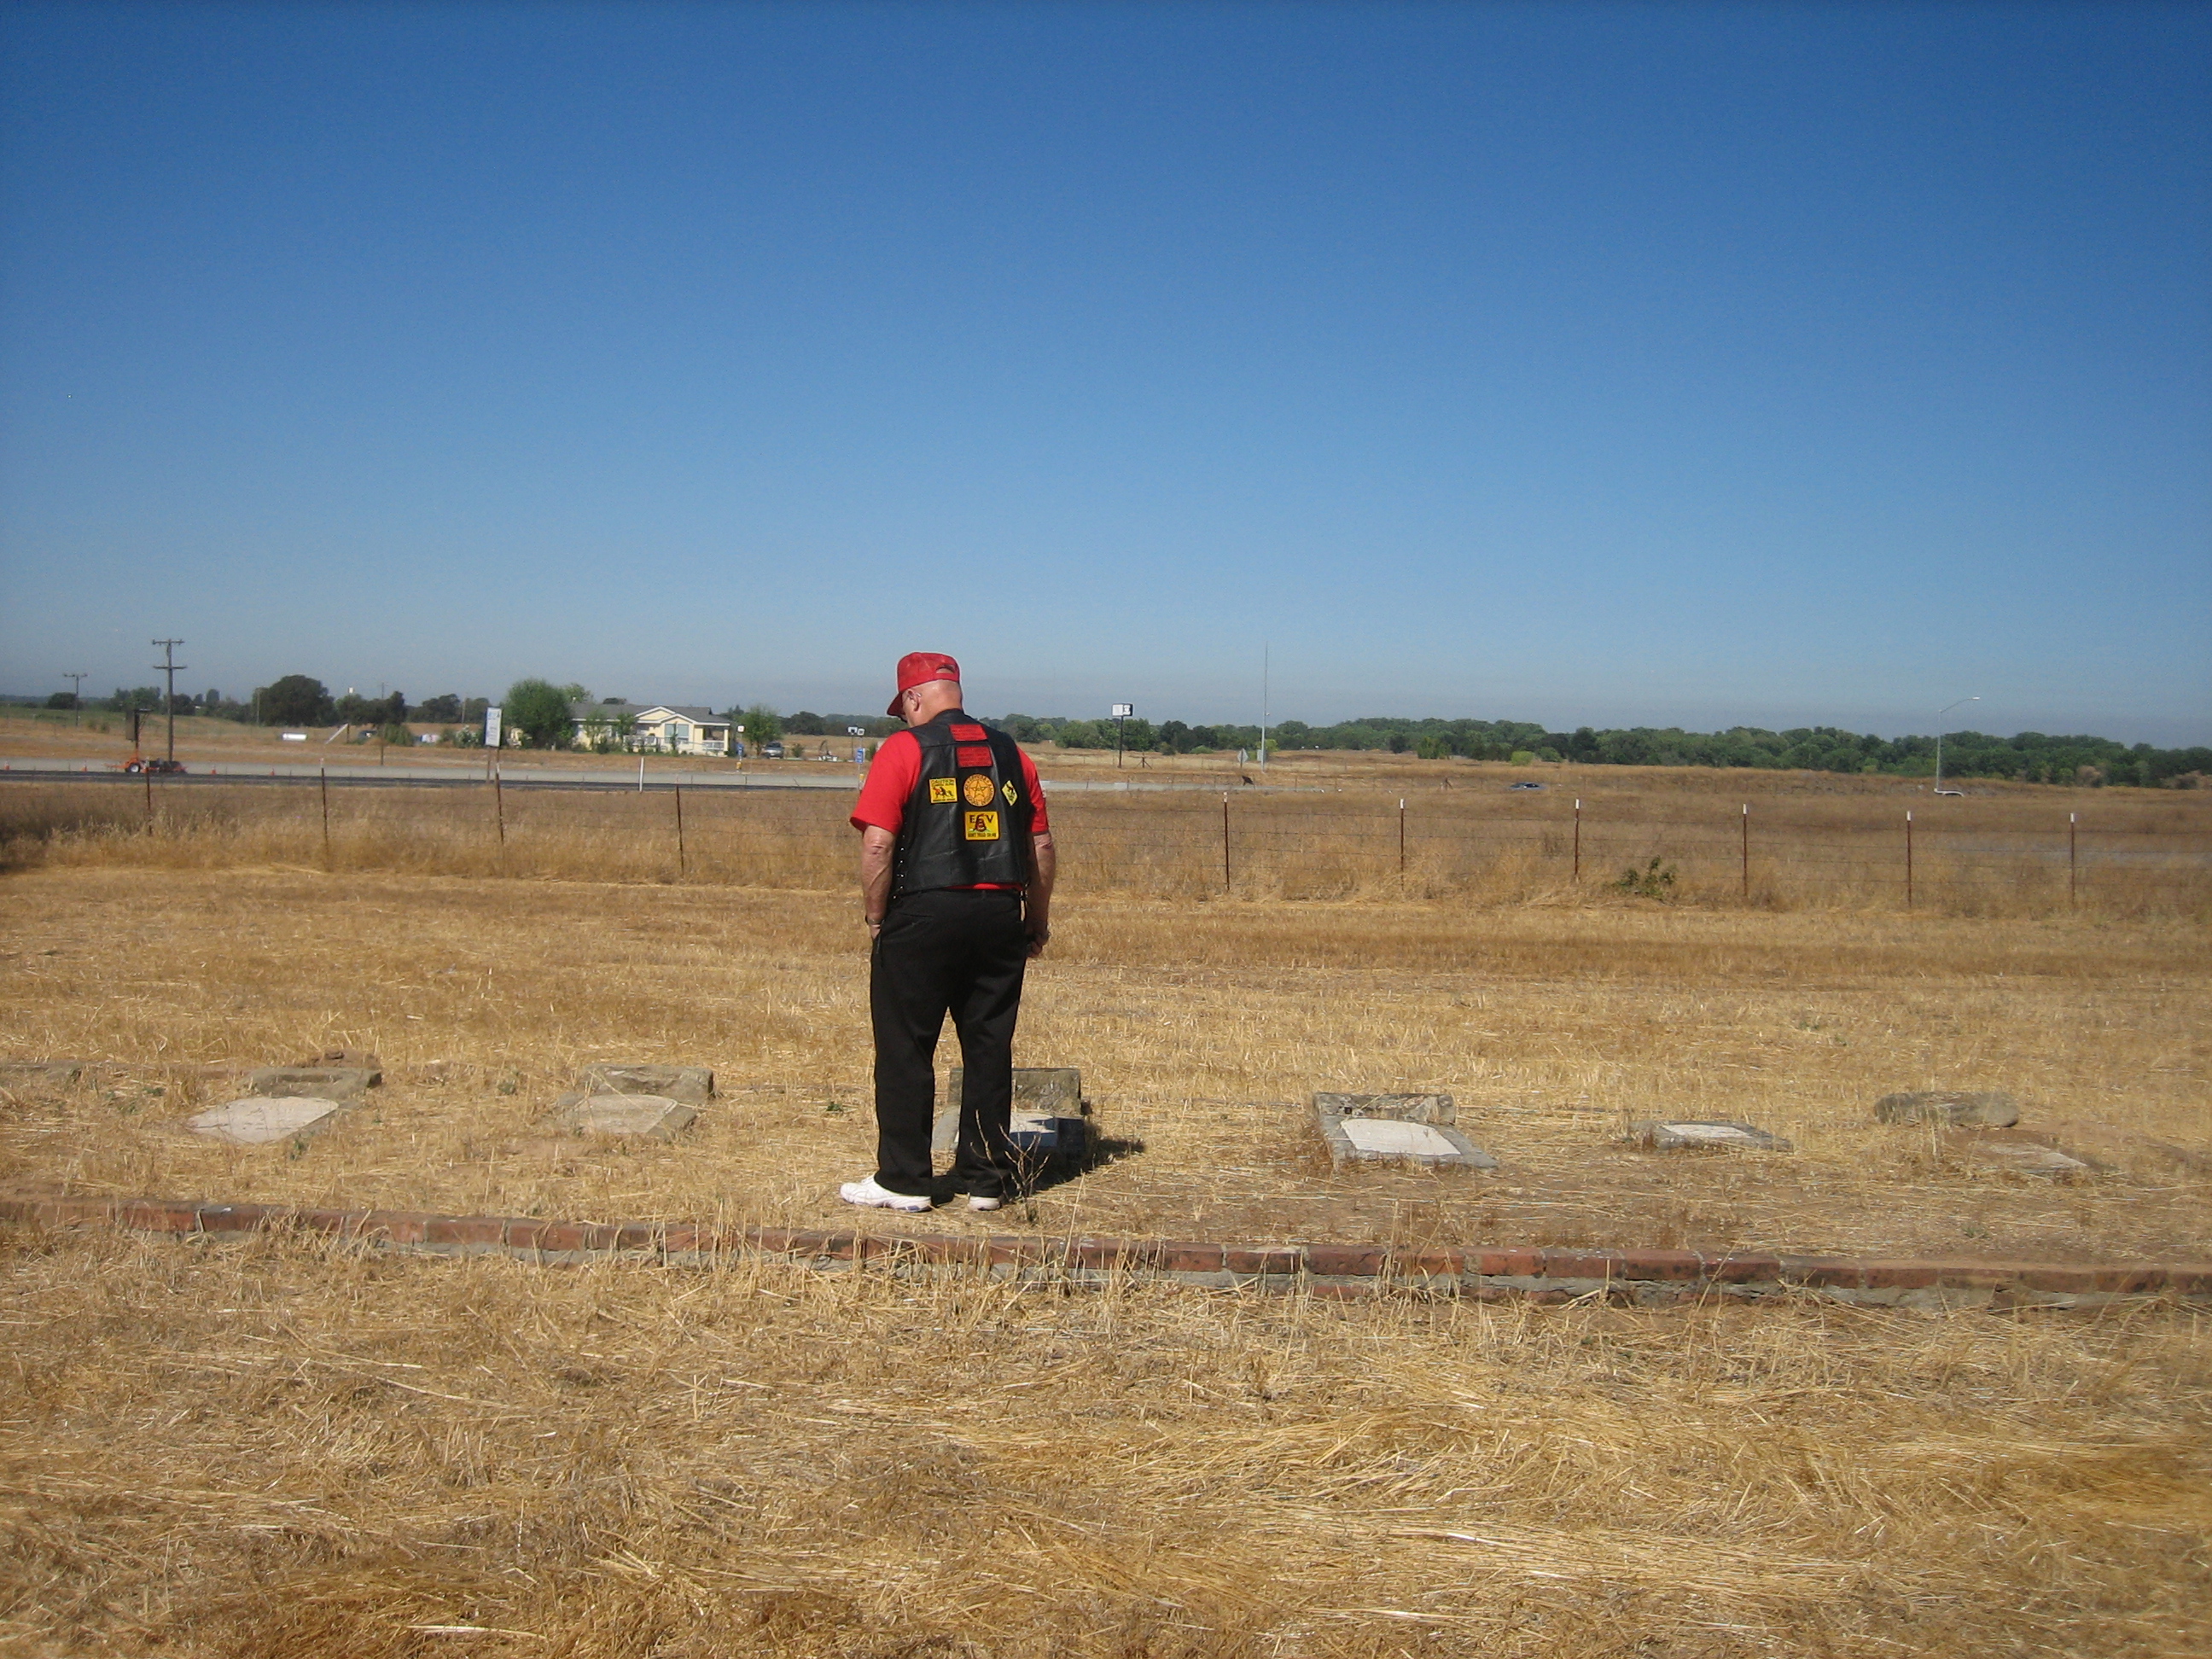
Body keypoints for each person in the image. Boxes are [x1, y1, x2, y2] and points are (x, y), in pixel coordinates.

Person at [840, 652, 1055, 1214]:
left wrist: (876, 917)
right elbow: (1040, 845)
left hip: (923, 911)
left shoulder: (904, 749)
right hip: (999, 912)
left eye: (903, 708)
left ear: (914, 698)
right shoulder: (1013, 754)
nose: (904, 717)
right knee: (988, 1045)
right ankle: (986, 1179)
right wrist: (1035, 919)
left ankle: (904, 1179)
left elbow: (878, 844)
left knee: (906, 1046)